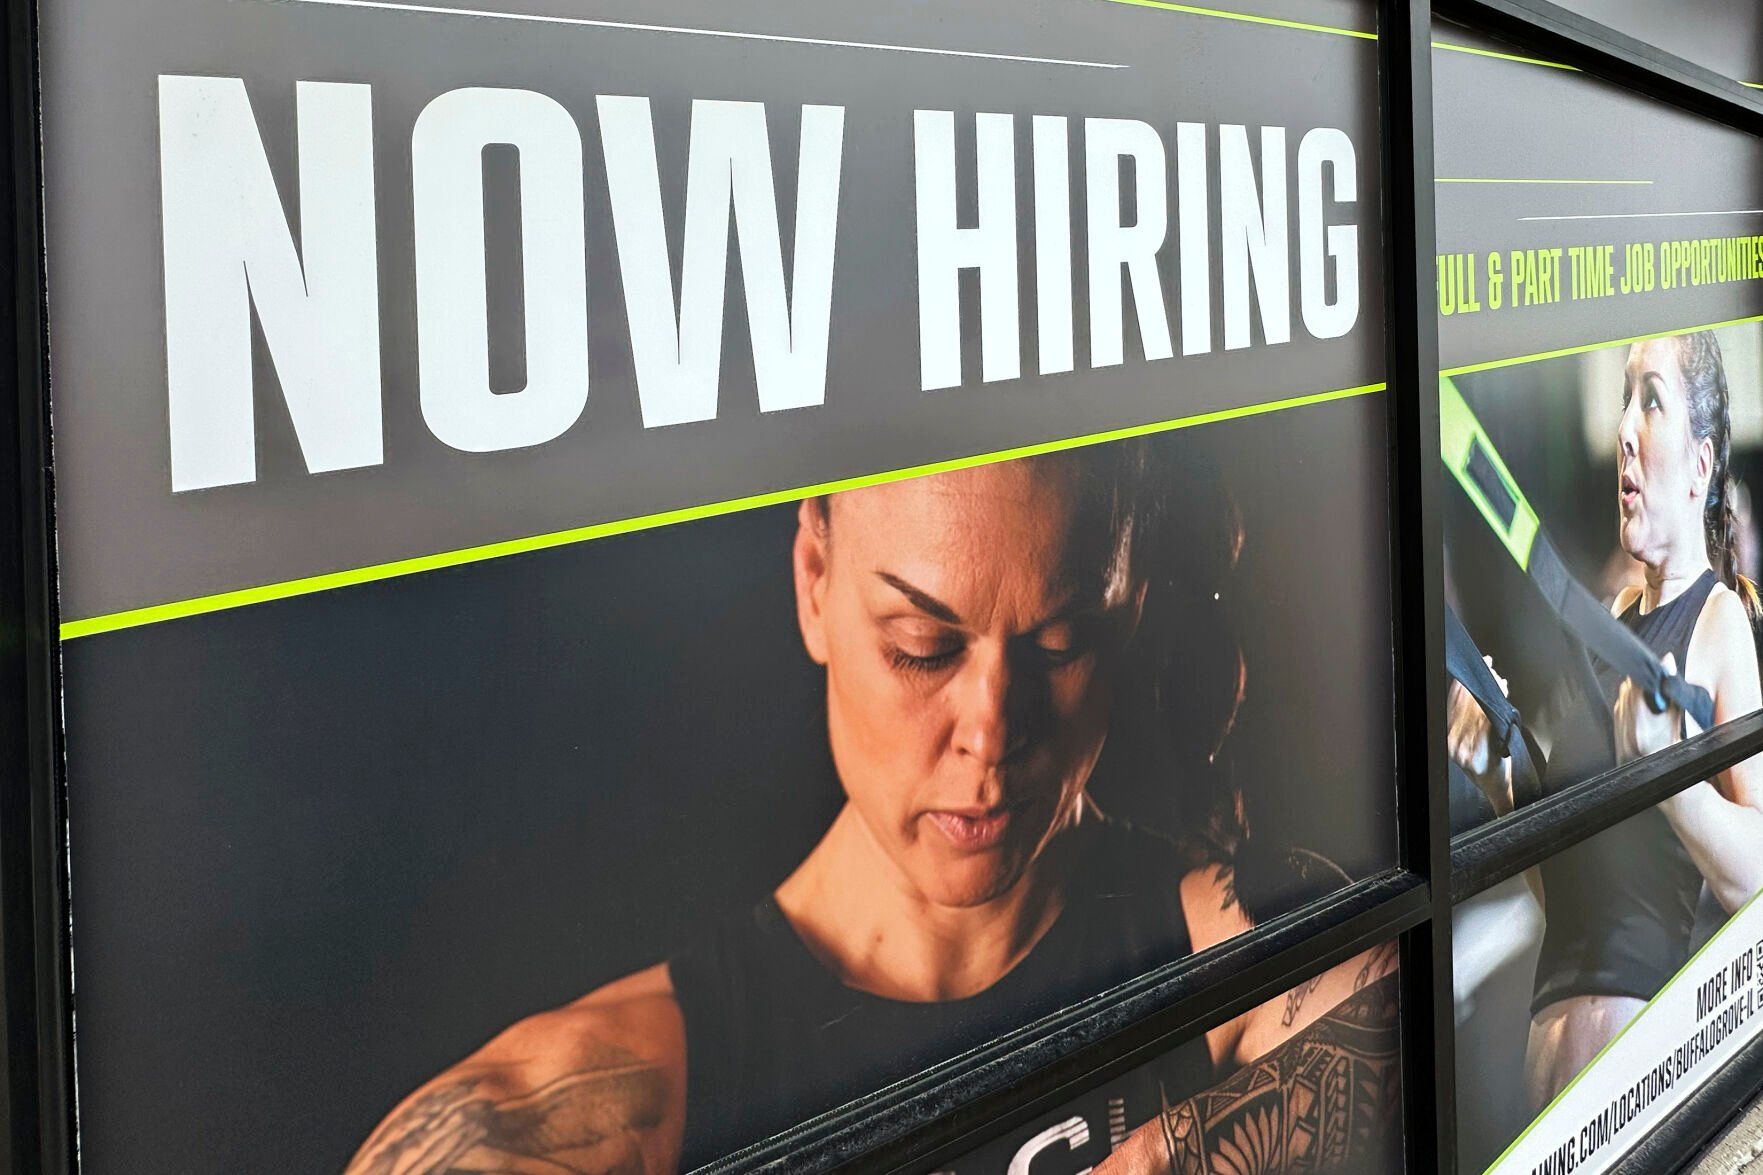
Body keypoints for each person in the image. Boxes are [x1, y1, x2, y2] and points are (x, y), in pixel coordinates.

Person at [345, 447, 1397, 1175]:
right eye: (921, 646)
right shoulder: (620, 1084)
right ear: (814, 578)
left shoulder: (1238, 950)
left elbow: (1394, 1001)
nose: (988, 728)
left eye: (1058, 644)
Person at [1451, 332, 1763, 1110]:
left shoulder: (1715, 621)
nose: (1624, 428)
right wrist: (1499, 785)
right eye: (1624, 398)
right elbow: (1572, 889)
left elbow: (1757, 880)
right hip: (1549, 1101)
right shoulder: (1603, 628)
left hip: (1638, 1105)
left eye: (1650, 400)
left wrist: (1675, 784)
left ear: (1699, 464)